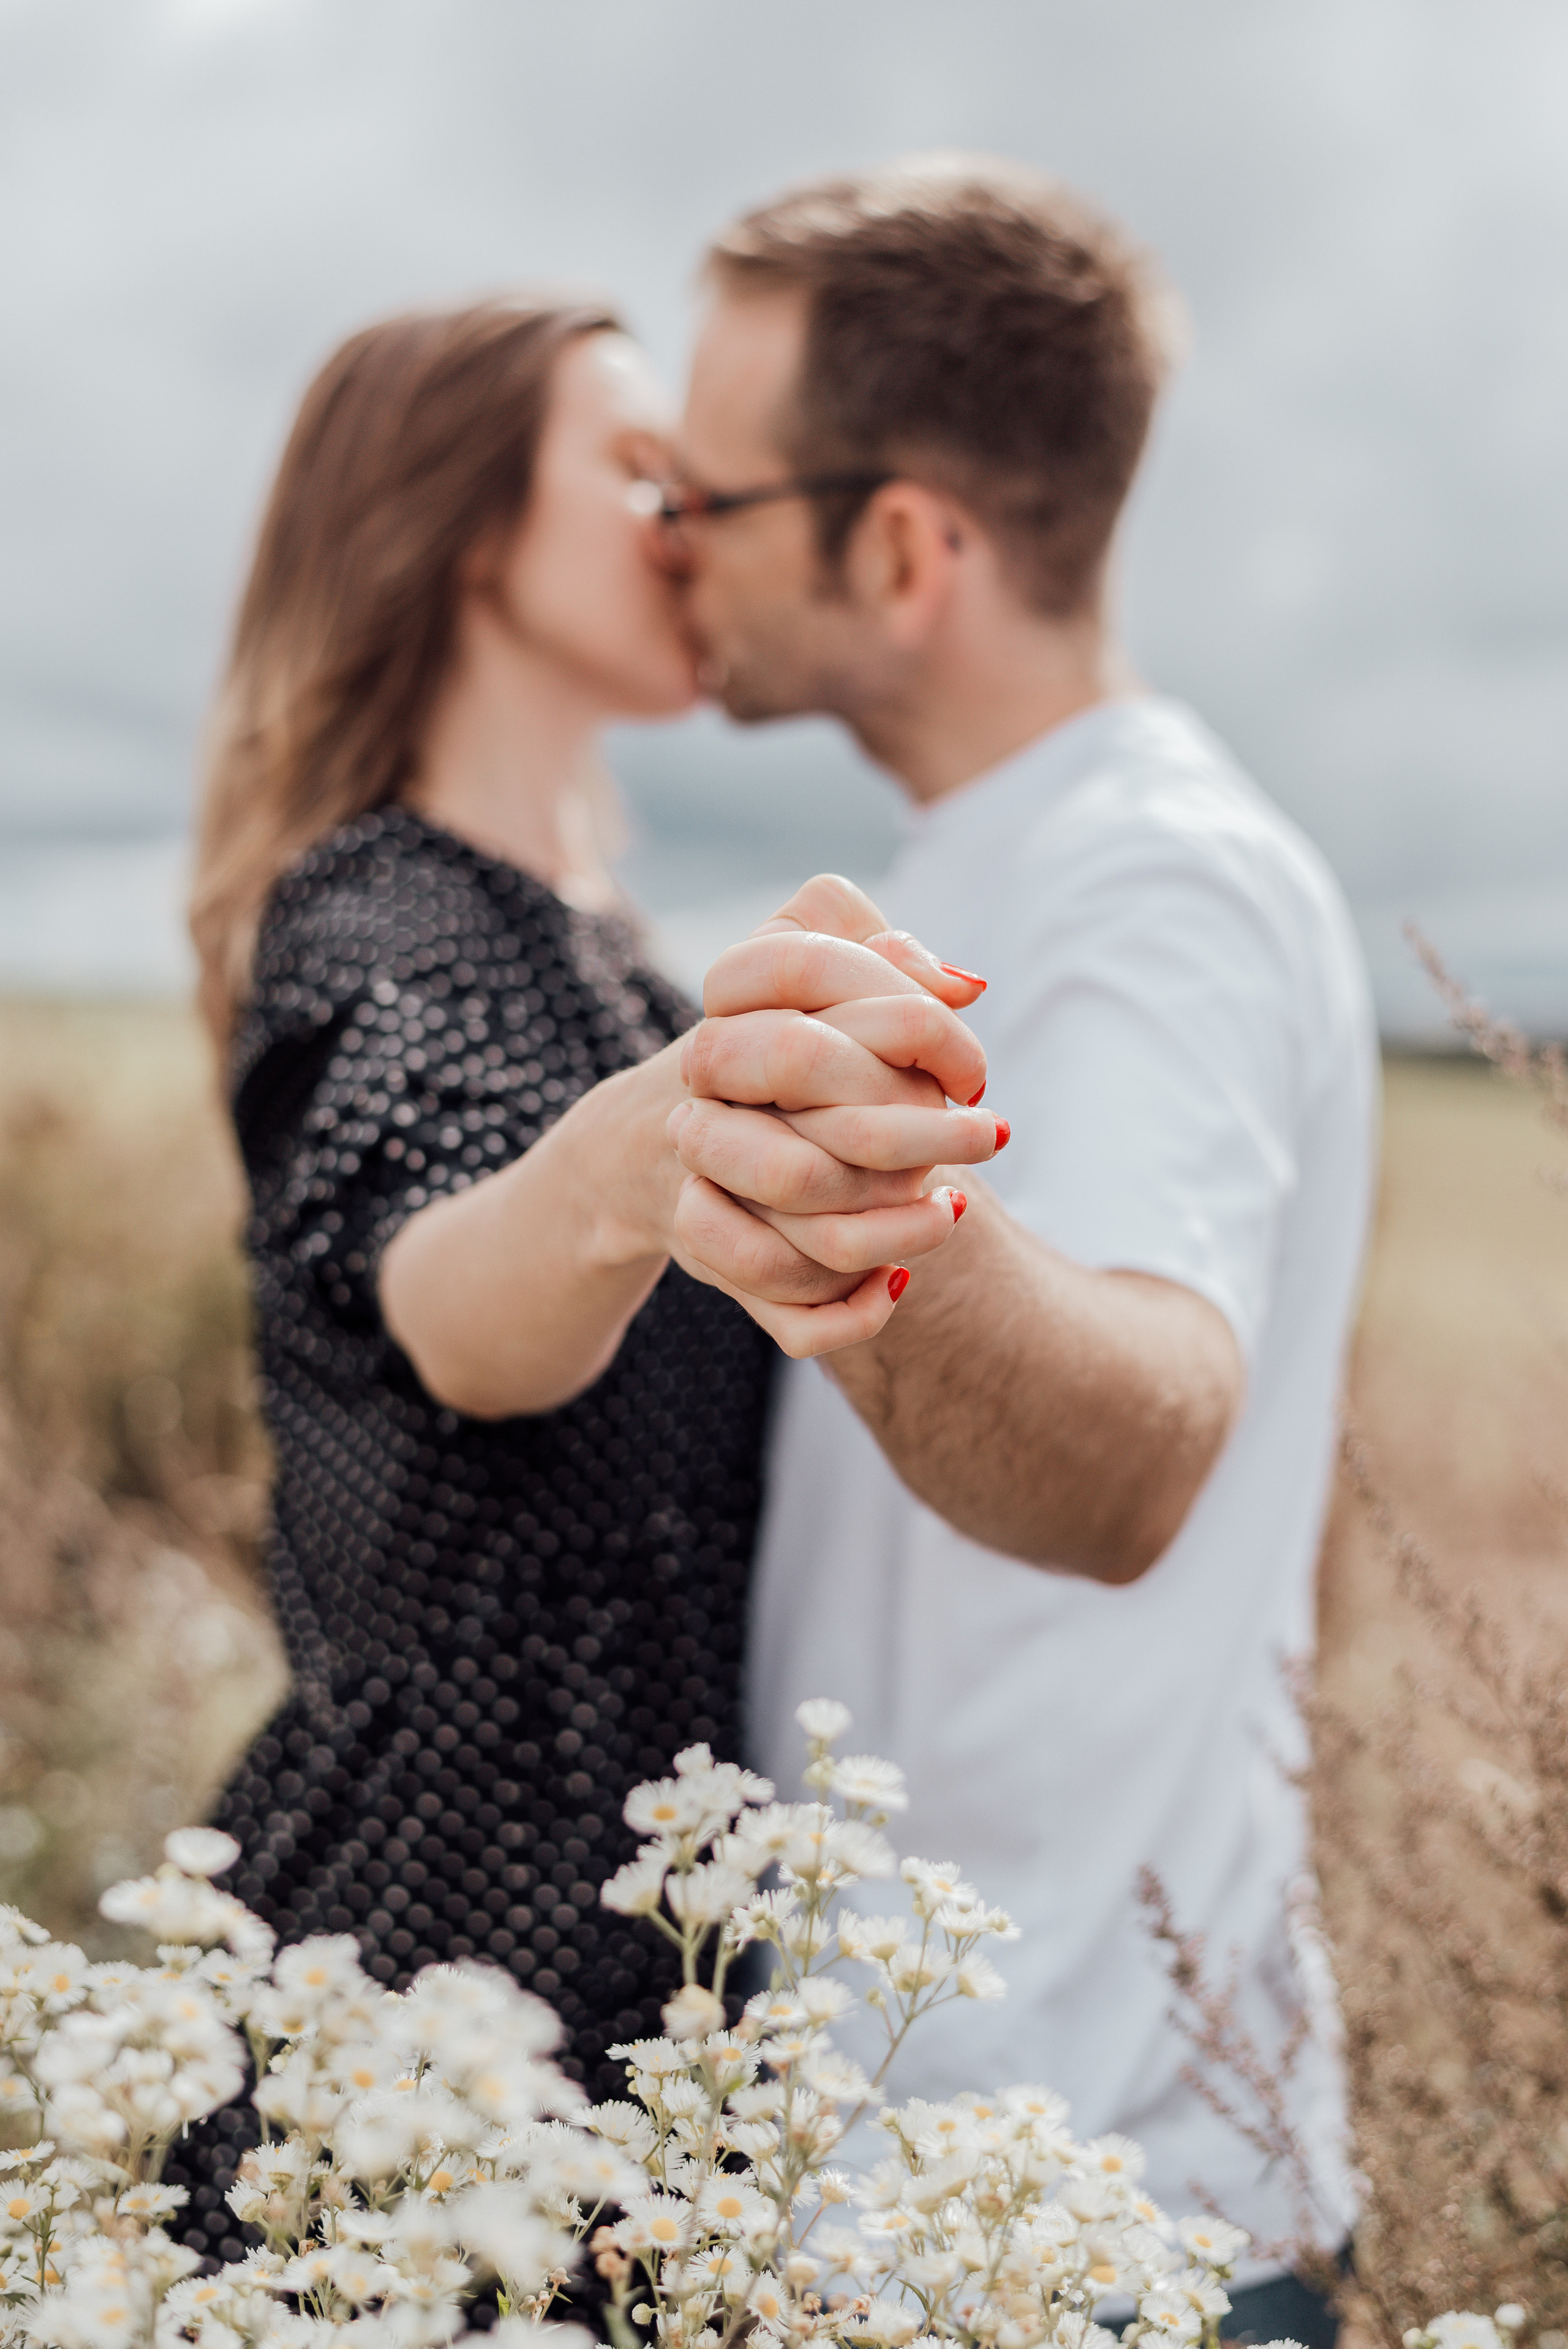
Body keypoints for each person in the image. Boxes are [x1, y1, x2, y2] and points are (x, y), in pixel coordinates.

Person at [176, 296, 998, 2261]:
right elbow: (449, 1306)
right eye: (637, 472)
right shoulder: (373, 908)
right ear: (466, 526)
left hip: (651, 1987)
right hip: (420, 1987)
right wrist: (650, 1148)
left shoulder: (614, 946)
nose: (691, 515)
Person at [664, 160, 1378, 2343]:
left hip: (1089, 2226)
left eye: (708, 498)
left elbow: (1133, 1455)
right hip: (941, 2172)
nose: (666, 542)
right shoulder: (1022, 858)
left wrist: (833, 1187)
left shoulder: (1154, 882)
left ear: (901, 545)